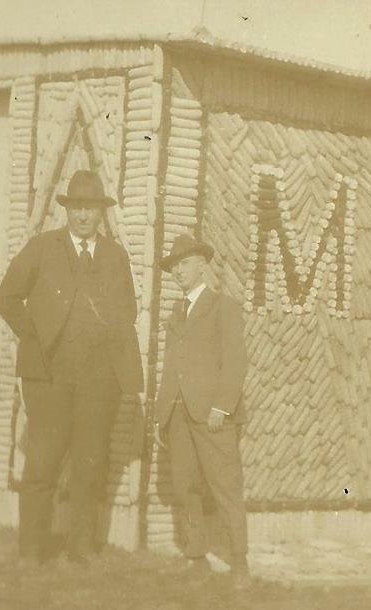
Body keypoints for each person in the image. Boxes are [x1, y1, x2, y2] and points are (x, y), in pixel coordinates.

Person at [0, 170, 143, 567]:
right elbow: (7, 298)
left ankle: (80, 548)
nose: (83, 216)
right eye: (77, 207)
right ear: (67, 210)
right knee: (42, 462)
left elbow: (127, 311)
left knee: (90, 464)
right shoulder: (43, 248)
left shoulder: (115, 256)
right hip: (50, 377)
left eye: (90, 208)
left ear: (101, 213)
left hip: (98, 380)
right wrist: (35, 336)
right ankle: (31, 550)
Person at [154, 233, 250, 589]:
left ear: (202, 265)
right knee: (185, 487)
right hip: (178, 417)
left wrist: (221, 408)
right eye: (174, 266)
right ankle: (196, 557)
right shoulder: (176, 313)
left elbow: (236, 363)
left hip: (212, 417)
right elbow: (171, 367)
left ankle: (239, 562)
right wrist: (161, 417)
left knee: (225, 486)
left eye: (185, 264)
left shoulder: (223, 306)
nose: (179, 271)